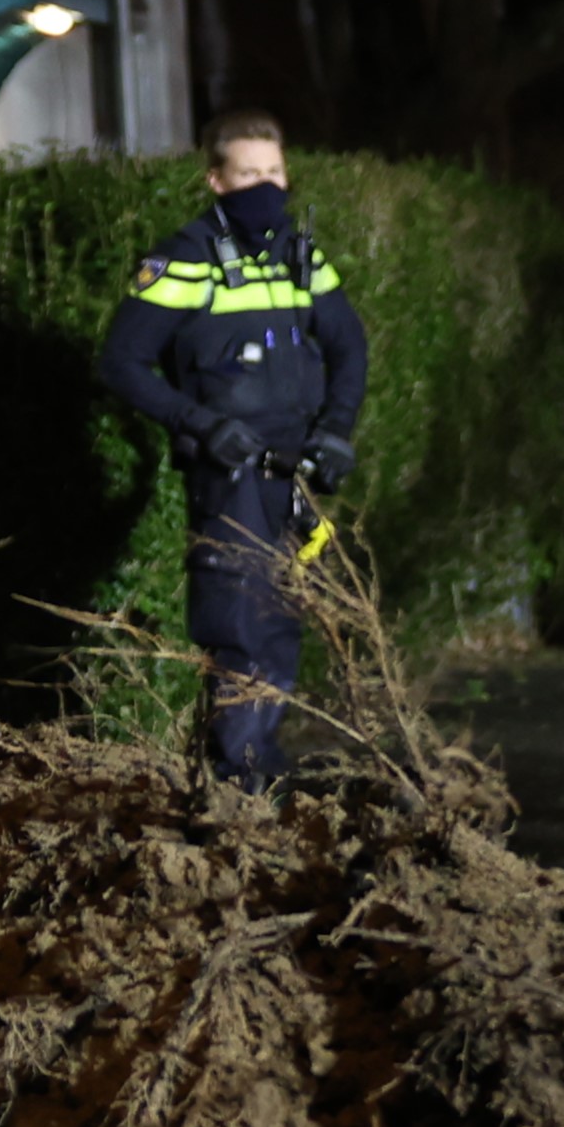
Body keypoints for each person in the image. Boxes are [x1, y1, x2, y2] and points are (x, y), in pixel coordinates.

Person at [95, 112, 369, 790]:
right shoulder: (183, 258)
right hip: (230, 471)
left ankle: (260, 767)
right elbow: (123, 361)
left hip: (295, 472)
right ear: (216, 180)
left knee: (282, 620)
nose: (266, 188)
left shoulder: (301, 256)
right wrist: (198, 423)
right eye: (249, 174)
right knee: (238, 622)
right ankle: (234, 779)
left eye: (274, 173)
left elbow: (348, 344)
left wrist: (336, 429)